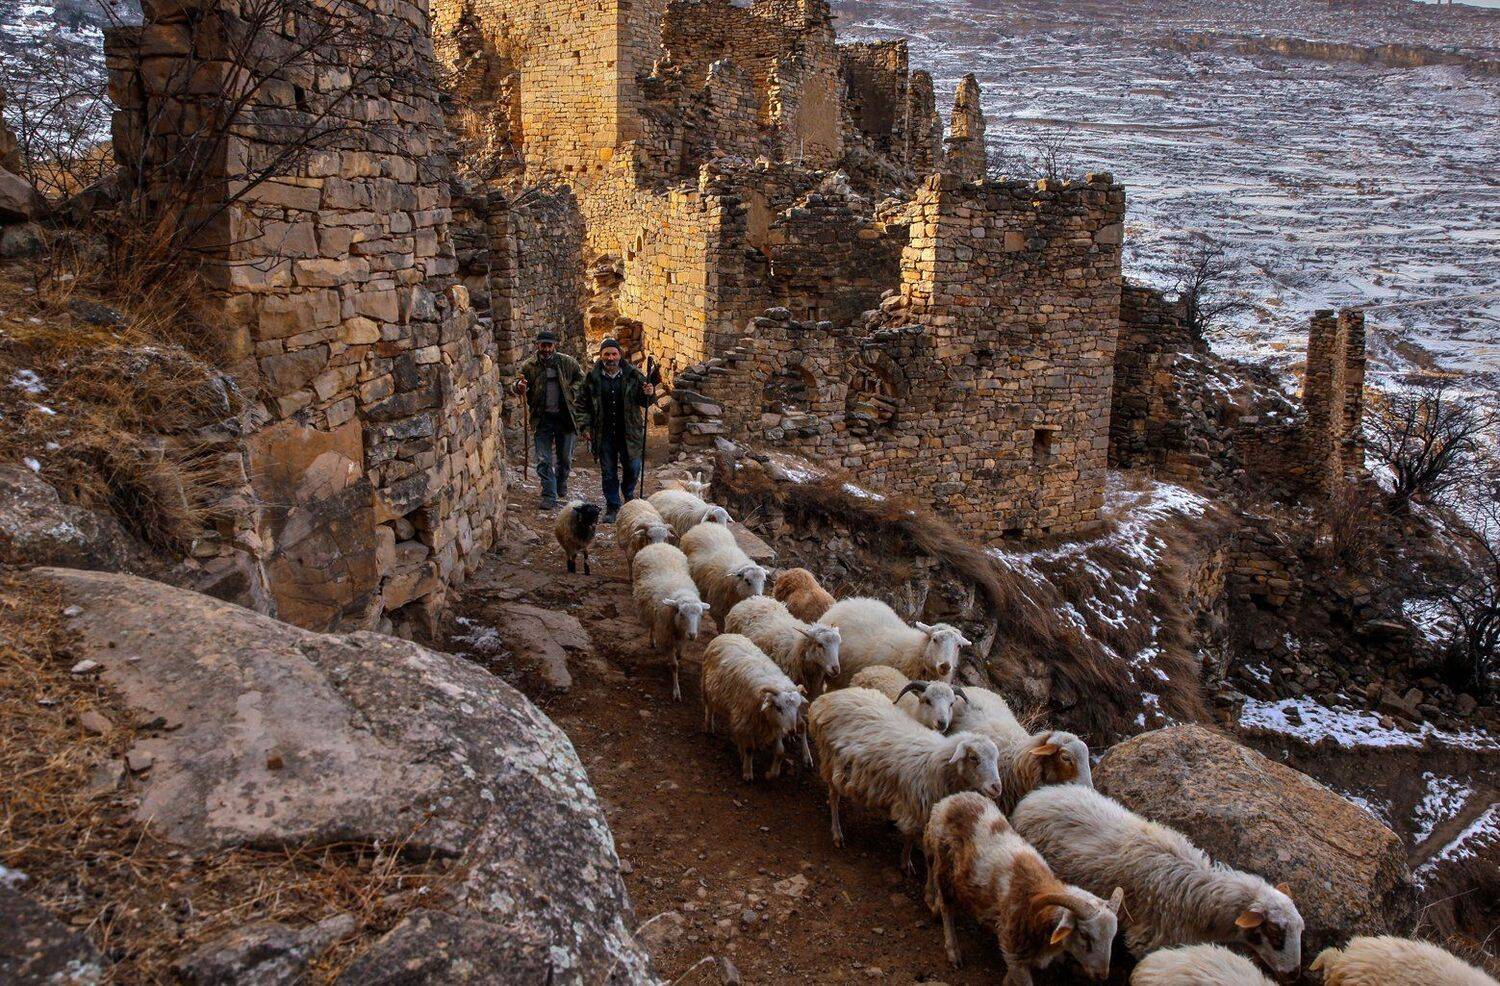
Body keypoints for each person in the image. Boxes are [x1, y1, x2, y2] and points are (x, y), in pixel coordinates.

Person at [575, 337, 656, 523]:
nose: (610, 358)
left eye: (613, 354)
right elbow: (581, 405)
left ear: (620, 355)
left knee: (633, 468)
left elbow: (644, 401)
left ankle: (628, 495)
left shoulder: (633, 375)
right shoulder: (592, 379)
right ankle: (612, 505)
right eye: (606, 354)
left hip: (629, 432)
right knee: (608, 471)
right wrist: (585, 426)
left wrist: (649, 393)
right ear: (601, 356)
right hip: (603, 433)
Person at [512, 330, 584, 510]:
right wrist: (518, 387)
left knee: (565, 459)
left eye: (548, 345)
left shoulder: (567, 362)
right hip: (542, 419)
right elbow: (516, 383)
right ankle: (548, 494)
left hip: (565, 418)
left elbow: (582, 379)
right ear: (537, 345)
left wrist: (572, 391)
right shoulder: (530, 366)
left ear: (554, 346)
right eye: (542, 345)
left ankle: (561, 482)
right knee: (544, 459)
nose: (545, 349)